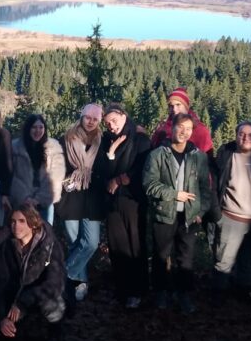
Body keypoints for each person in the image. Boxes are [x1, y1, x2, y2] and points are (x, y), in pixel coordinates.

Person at [143, 114, 211, 313]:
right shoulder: (157, 155)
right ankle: (161, 293)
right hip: (164, 213)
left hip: (189, 216)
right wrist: (174, 195)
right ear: (172, 128)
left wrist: (201, 210)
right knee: (161, 256)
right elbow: (149, 184)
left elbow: (205, 188)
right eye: (181, 127)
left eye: (188, 129)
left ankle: (184, 294)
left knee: (186, 258)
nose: (184, 132)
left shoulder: (198, 156)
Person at [0, 203, 67, 341]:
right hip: (17, 296)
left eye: (21, 221)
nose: (16, 226)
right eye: (13, 221)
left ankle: (56, 334)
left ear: (32, 223)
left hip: (38, 295)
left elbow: (54, 282)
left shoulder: (49, 245)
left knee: (53, 305)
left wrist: (23, 302)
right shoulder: (8, 246)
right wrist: (1, 318)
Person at [100, 104, 151, 309]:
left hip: (134, 200)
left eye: (114, 120)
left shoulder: (140, 140)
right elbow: (103, 170)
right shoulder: (106, 141)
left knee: (135, 245)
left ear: (124, 116)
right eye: (108, 123)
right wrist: (111, 154)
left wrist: (121, 178)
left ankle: (138, 290)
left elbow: (143, 168)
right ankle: (122, 289)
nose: (112, 126)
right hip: (113, 201)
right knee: (117, 245)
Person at [56, 103, 105, 302]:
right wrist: (65, 181)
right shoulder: (66, 138)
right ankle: (80, 283)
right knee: (75, 243)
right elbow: (57, 166)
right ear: (81, 117)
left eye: (95, 119)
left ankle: (60, 277)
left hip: (92, 197)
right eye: (88, 117)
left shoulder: (103, 141)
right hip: (70, 197)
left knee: (91, 242)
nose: (91, 122)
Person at [211, 121, 251, 304]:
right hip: (230, 216)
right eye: (241, 134)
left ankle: (244, 293)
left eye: (250, 135)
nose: (245, 138)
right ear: (236, 135)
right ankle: (218, 294)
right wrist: (217, 213)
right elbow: (215, 183)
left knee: (248, 260)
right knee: (223, 259)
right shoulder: (226, 153)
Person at [10, 114, 65, 225]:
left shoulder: (53, 147)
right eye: (34, 127)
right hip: (22, 200)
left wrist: (38, 199)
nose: (38, 131)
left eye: (41, 127)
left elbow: (56, 177)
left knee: (45, 233)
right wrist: (25, 198)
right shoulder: (15, 148)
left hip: (44, 200)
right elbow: (12, 176)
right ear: (28, 128)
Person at [149, 87, 214, 154]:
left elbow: (206, 159)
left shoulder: (201, 131)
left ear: (186, 106)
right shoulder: (163, 128)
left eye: (178, 105)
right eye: (171, 106)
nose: (174, 109)